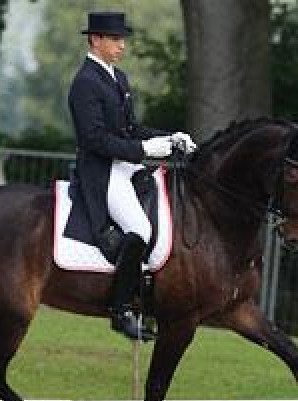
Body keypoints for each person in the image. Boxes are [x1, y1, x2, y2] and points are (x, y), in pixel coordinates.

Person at [68, 11, 196, 341]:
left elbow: (130, 129)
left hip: (125, 165)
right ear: (95, 40)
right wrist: (143, 150)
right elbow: (94, 140)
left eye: (122, 39)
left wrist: (169, 139)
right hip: (102, 170)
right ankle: (120, 308)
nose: (121, 45)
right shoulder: (85, 83)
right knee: (139, 228)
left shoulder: (117, 78)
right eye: (115, 39)